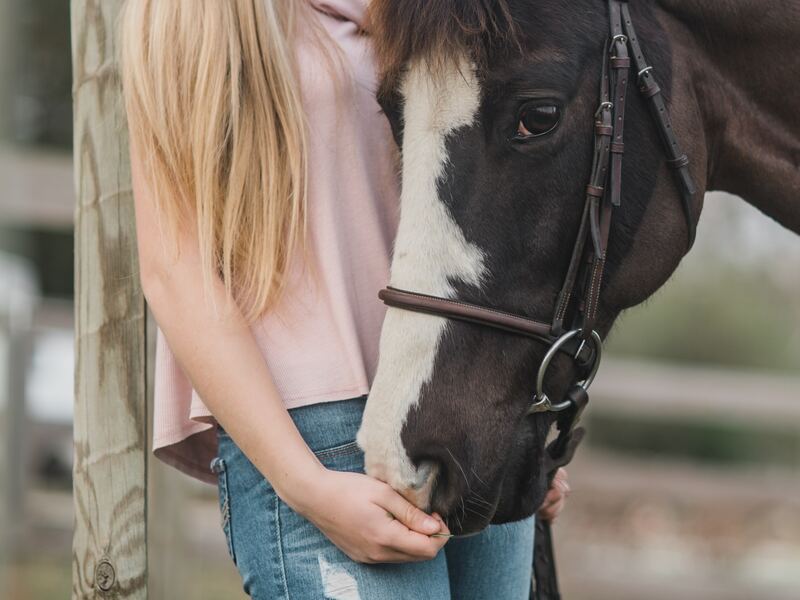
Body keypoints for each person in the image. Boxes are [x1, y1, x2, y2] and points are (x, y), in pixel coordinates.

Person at [119, 1, 570, 598]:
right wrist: (307, 487)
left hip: (469, 409)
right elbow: (180, 273)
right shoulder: (201, 12)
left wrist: (531, 418)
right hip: (318, 436)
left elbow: (506, 213)